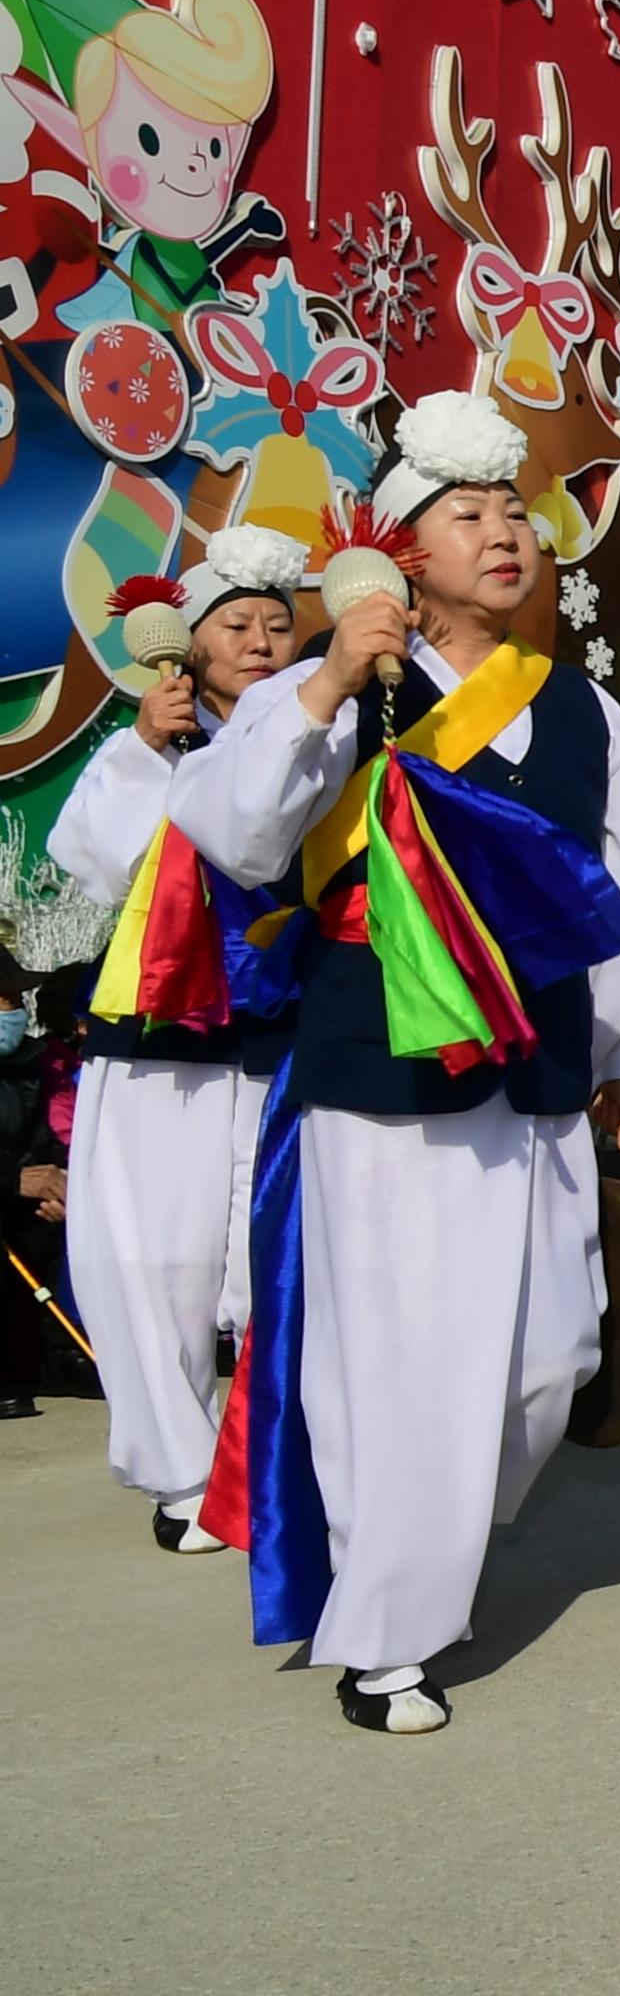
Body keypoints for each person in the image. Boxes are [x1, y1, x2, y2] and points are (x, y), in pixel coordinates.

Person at [169, 393, 620, 1734]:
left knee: (545, 1361)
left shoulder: (585, 715)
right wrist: (331, 674)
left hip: (542, 1069)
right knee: (396, 1356)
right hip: (381, 1067)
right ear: (401, 546)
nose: (504, 531)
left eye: (514, 512)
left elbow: (609, 896)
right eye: (468, 513)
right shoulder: (327, 687)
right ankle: (388, 1633)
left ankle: (418, 1544)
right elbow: (229, 830)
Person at [49, 523, 309, 1547]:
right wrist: (147, 747)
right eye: (236, 622)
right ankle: (182, 1470)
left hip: (280, 1031)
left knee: (267, 1261)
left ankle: (266, 1465)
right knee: (151, 1262)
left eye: (279, 626)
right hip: (158, 1033)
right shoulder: (150, 742)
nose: (259, 640)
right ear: (188, 644)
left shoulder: (318, 734)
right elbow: (91, 859)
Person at [0, 955, 78, 1423]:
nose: (10, 1008)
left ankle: (58, 1359)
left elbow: (45, 1141)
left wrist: (58, 1181)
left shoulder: (29, 1066)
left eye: (12, 996)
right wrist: (13, 1181)